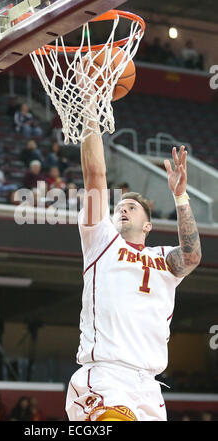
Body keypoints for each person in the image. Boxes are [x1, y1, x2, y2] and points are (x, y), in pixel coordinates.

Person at [65, 68, 201, 421]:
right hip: (106, 376)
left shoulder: (163, 260)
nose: (122, 209)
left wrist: (181, 195)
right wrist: (91, 105)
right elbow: (95, 175)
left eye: (131, 207)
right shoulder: (101, 241)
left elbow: (193, 255)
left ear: (149, 224)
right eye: (119, 207)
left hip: (149, 387)